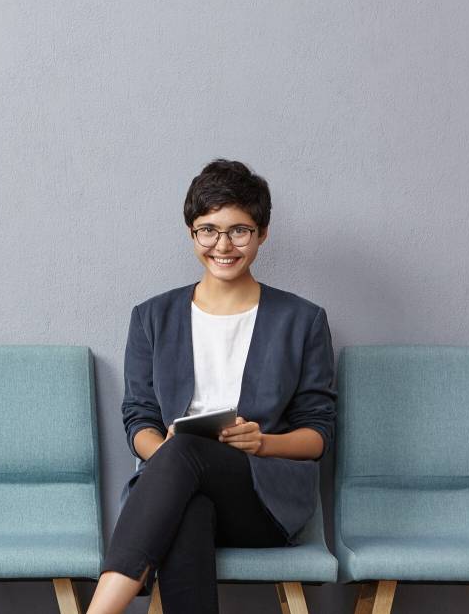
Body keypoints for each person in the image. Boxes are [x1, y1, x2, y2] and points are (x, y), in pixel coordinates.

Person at [86, 159, 337, 614]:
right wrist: (165, 456)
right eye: (209, 230)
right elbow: (138, 417)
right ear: (191, 233)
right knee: (188, 505)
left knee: (182, 455)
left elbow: (318, 435)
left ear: (262, 233)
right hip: (176, 488)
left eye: (239, 230)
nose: (223, 245)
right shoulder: (152, 317)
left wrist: (262, 443)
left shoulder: (302, 320)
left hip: (263, 500)